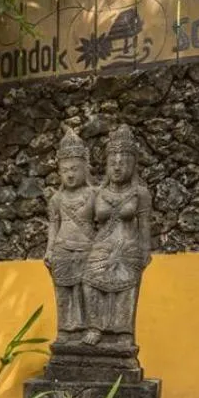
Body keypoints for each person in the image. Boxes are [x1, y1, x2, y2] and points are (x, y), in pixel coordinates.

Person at [83, 124, 152, 353]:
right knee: (90, 281)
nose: (117, 166)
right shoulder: (98, 193)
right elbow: (86, 223)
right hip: (101, 246)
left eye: (123, 162)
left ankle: (123, 332)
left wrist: (144, 251)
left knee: (125, 288)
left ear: (132, 165)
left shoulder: (139, 193)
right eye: (113, 162)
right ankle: (95, 327)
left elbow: (144, 226)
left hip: (128, 247)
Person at [45, 128, 96, 344]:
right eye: (65, 170)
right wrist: (49, 249)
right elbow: (53, 225)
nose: (70, 174)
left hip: (87, 248)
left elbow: (103, 223)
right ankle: (66, 330)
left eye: (75, 169)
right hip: (62, 249)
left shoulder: (93, 194)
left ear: (85, 168)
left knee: (89, 290)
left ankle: (92, 328)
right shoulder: (56, 199)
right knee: (64, 292)